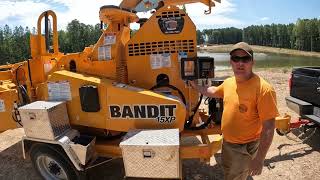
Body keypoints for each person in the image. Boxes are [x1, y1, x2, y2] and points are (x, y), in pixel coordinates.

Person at [189, 42, 279, 180]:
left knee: (235, 177)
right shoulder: (230, 82)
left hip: (245, 148)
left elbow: (268, 127)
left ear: (252, 62)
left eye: (245, 59)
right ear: (231, 62)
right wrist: (195, 85)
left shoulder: (264, 89)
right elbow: (212, 91)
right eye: (236, 59)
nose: (240, 63)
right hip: (227, 143)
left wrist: (260, 159)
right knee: (228, 172)